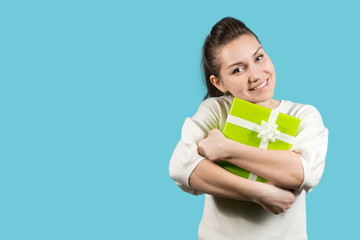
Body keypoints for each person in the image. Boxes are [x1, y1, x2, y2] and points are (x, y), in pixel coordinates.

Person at [169, 17, 328, 240]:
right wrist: (258, 193)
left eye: (259, 58)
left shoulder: (303, 115)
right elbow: (181, 166)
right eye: (238, 70)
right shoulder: (216, 111)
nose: (256, 75)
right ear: (218, 83)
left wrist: (226, 149)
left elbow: (304, 173)